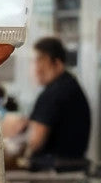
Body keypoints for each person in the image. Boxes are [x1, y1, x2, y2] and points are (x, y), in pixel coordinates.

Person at [19, 36, 91, 170]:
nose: (36, 70)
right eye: (34, 62)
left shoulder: (54, 93)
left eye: (41, 62)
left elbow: (35, 141)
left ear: (57, 64)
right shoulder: (70, 85)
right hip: (72, 166)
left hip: (55, 171)